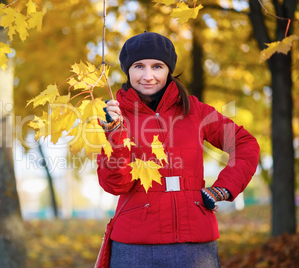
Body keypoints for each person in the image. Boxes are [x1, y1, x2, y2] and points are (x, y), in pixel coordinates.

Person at [96, 32, 260, 267]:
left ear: (168, 70)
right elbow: (115, 185)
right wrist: (115, 134)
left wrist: (224, 187)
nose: (148, 76)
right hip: (135, 245)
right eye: (139, 66)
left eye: (157, 66)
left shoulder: (195, 110)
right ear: (127, 70)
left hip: (195, 244)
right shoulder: (115, 116)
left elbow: (245, 144)